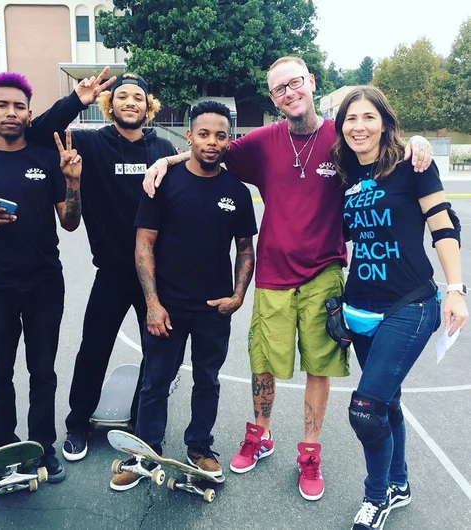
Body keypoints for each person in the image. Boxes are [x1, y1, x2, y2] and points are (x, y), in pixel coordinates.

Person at [142, 57, 434, 501]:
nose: (289, 93)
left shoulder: (343, 134)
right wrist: (168, 158)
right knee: (264, 361)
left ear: (311, 83)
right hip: (274, 273)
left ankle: (311, 452)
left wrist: (416, 141)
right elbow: (211, 148)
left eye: (295, 83)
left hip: (325, 273)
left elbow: (382, 140)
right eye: (279, 89)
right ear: (273, 99)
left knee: (319, 366)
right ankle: (260, 436)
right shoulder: (263, 142)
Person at [330, 85, 468, 530]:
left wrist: (456, 288)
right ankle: (401, 482)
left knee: (365, 410)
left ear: (385, 122)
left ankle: (377, 497)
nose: (359, 126)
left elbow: (443, 224)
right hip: (360, 308)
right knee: (387, 404)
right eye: (351, 119)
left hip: (410, 304)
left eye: (369, 117)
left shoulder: (413, 163)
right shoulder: (344, 173)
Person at [26, 69, 177, 461]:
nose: (131, 102)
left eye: (138, 98)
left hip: (155, 277)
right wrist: (77, 100)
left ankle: (144, 423)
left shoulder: (162, 149)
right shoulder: (92, 144)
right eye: (123, 96)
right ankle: (77, 423)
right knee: (93, 350)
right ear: (111, 104)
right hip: (110, 273)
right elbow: (39, 133)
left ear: (149, 107)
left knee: (157, 355)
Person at [109, 101, 258, 491]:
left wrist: (238, 295)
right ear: (189, 136)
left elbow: (245, 248)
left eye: (220, 135)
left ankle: (199, 447)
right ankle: (145, 453)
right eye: (204, 134)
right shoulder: (163, 183)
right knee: (155, 382)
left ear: (230, 140)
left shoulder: (237, 192)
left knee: (207, 381)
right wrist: (152, 303)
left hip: (214, 309)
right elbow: (144, 246)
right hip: (168, 308)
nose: (212, 142)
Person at [0, 72, 83, 482]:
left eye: (20, 106)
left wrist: (73, 183)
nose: (12, 112)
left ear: (30, 113)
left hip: (45, 282)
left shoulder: (46, 158)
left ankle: (42, 446)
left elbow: (71, 223)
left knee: (43, 370)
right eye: (3, 105)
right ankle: (4, 448)